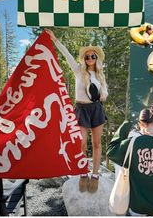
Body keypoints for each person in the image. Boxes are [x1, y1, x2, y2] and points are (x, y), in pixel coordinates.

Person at [45, 29, 108, 193]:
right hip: (81, 108)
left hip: (96, 110)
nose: (90, 59)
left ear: (97, 58)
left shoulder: (100, 74)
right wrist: (54, 39)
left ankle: (95, 174)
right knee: (81, 143)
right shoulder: (78, 70)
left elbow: (105, 90)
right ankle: (83, 172)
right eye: (87, 56)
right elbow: (66, 55)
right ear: (84, 59)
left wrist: (103, 94)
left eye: (93, 56)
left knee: (96, 144)